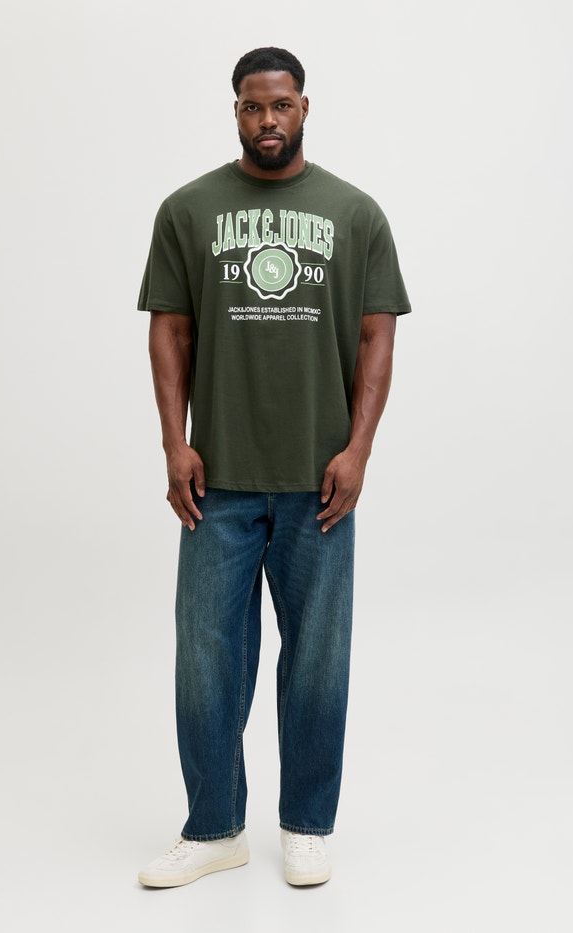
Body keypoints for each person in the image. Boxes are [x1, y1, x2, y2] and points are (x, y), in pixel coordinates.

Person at [136, 47, 411, 888]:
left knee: (317, 659)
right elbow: (169, 329)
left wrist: (359, 449)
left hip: (319, 481)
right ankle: (215, 827)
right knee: (207, 660)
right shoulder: (188, 209)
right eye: (253, 106)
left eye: (281, 105)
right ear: (236, 111)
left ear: (304, 108)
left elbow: (376, 335)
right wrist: (174, 442)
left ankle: (306, 824)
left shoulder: (354, 213)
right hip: (216, 481)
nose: (268, 120)